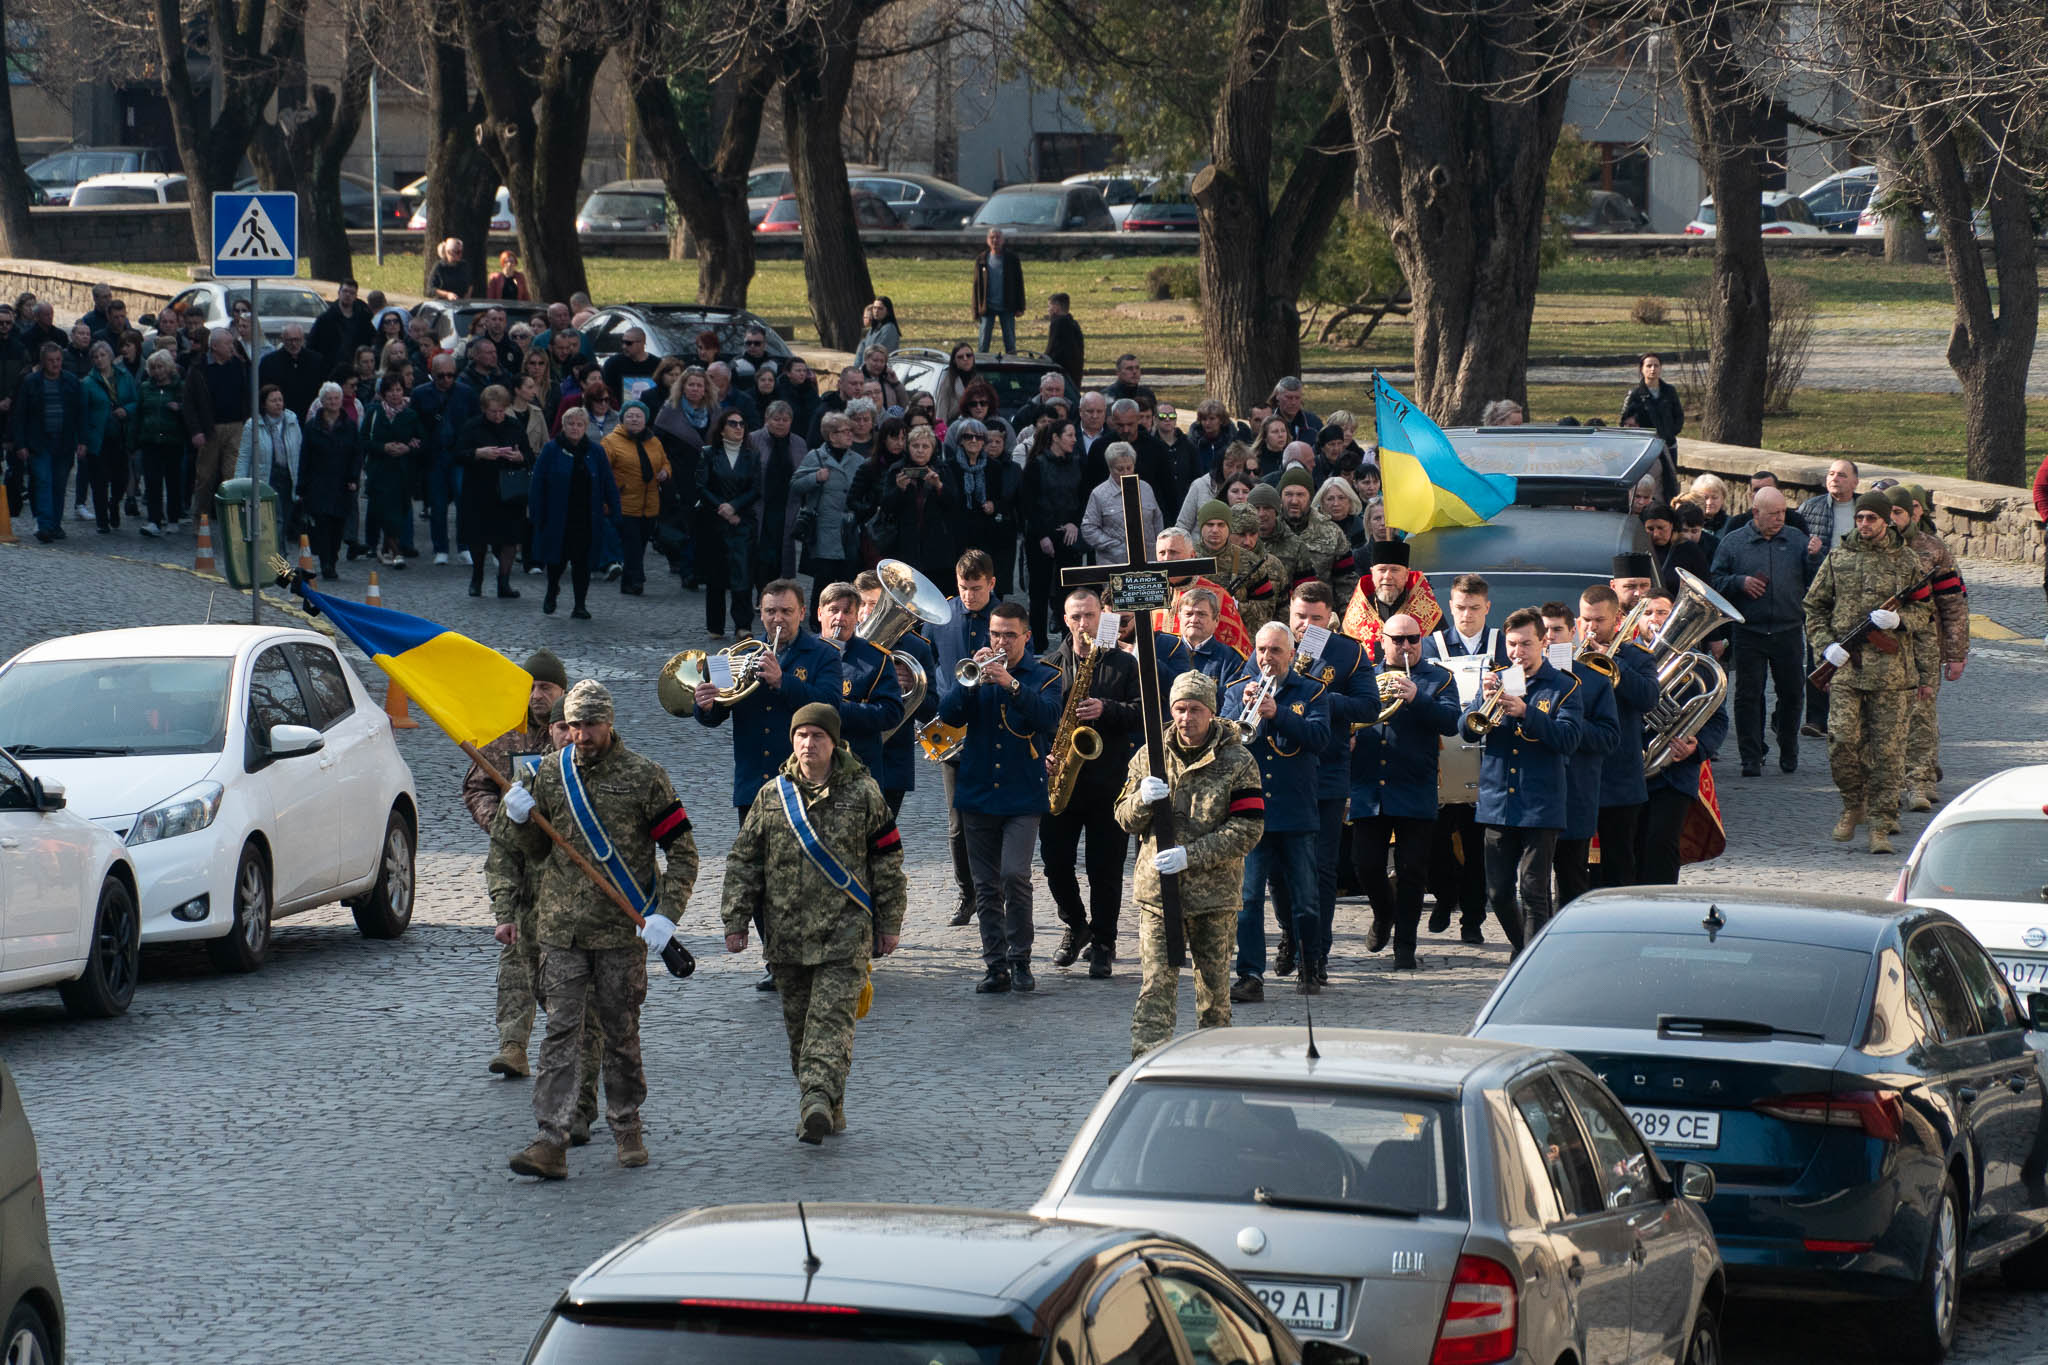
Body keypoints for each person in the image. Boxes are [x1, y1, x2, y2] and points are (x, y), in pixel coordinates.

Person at [502, 681, 699, 1180]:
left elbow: (683, 852)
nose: (581, 736)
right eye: (572, 726)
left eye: (590, 725)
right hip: (561, 932)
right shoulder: (550, 773)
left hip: (620, 932)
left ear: (609, 723)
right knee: (561, 1033)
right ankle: (551, 1140)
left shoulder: (645, 778)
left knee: (620, 1033)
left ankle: (627, 1124)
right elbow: (538, 851)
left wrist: (666, 914)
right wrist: (521, 821)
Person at [721, 701, 905, 1142]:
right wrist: (736, 918)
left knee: (831, 1022)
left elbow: (887, 861)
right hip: (787, 938)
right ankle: (828, 1104)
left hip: (845, 935)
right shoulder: (771, 796)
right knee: (801, 1031)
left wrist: (890, 921)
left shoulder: (864, 794)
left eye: (817, 736)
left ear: (834, 742)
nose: (808, 744)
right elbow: (745, 860)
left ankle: (815, 1102)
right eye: (801, 735)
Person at [1121, 671, 1265, 1056]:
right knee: (1155, 985)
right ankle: (1146, 1062)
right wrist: (1141, 801)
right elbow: (1123, 816)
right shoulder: (1149, 754)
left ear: (1212, 711)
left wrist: (1192, 855)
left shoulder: (1237, 760)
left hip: (1213, 897)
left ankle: (1215, 1065)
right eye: (1179, 709)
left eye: (1195, 709)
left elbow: (1248, 828)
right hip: (1157, 894)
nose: (1186, 718)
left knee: (1214, 989)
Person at [483, 695, 605, 1140]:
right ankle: (513, 1045)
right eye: (559, 730)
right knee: (522, 976)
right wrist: (505, 910)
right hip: (531, 910)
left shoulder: (602, 780)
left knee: (576, 1015)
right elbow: (502, 852)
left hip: (583, 921)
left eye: (573, 729)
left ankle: (580, 1105)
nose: (567, 737)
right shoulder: (528, 783)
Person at [937, 600, 1063, 993]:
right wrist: (967, 683)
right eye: (996, 634)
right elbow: (950, 716)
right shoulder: (974, 674)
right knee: (986, 884)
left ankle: (1020, 959)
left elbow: (1047, 718)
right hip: (976, 792)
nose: (1002, 641)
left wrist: (1010, 684)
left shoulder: (1044, 675)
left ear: (1027, 636)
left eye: (1010, 634)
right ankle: (996, 965)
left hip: (1022, 793)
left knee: (1014, 874)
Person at [1464, 608, 1586, 952]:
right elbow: (1466, 731)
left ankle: (1530, 961)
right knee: (1497, 892)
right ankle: (1526, 950)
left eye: (1526, 644)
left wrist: (1526, 713)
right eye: (1512, 645)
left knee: (1533, 889)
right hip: (1497, 800)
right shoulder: (1496, 678)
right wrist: (1483, 700)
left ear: (1544, 642)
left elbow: (1568, 739)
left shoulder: (1565, 686)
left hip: (1540, 803)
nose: (1518, 653)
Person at [1221, 621, 1331, 1002]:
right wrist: (1243, 708)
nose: (1267, 659)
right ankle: (1251, 975)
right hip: (1250, 812)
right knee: (1248, 899)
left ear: (1292, 654)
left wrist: (1278, 713)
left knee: (1304, 898)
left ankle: (1310, 965)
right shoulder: (1237, 690)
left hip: (1295, 809)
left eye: (1276, 651)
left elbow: (1319, 739)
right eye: (1262, 650)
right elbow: (1223, 744)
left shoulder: (1313, 691)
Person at [467, 652, 568, 1054]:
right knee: (516, 957)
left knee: (565, 960)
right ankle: (512, 1044)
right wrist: (501, 823)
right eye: (530, 687)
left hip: (566, 865)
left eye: (545, 687)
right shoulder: (508, 733)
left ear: (562, 689)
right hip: (522, 866)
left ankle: (571, 1038)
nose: (536, 695)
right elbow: (477, 787)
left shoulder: (577, 730)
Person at [1040, 588, 1142, 979]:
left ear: (1102, 616)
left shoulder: (1123, 664)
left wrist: (1107, 708)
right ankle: (1075, 924)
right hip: (1061, 780)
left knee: (1105, 868)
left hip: (1108, 781)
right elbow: (1039, 718)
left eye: (1089, 615)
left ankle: (1103, 941)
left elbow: (1142, 712)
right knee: (1055, 863)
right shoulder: (1050, 665)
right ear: (1065, 621)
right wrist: (1046, 751)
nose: (1083, 624)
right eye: (1075, 617)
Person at [1351, 612, 1463, 969]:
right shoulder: (1364, 675)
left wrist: (1418, 697)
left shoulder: (1439, 679)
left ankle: (1405, 948)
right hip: (1370, 786)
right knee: (1365, 865)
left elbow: (1451, 723)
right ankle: (1384, 913)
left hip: (1414, 786)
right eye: (1397, 640)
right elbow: (1346, 714)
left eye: (1413, 639)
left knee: (1413, 872)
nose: (1405, 647)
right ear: (1381, 641)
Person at [1276, 582, 1374, 986]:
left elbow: (1370, 706)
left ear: (1330, 617)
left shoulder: (1349, 652)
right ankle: (1289, 932)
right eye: (1300, 616)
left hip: (1327, 770)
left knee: (1321, 869)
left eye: (1316, 618)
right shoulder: (1274, 644)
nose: (1306, 624)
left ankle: (1316, 952)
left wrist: (1318, 698)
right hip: (1280, 771)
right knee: (1279, 869)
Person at [1710, 486, 1808, 777]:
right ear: (1755, 513)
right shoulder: (1733, 542)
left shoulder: (1797, 540)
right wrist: (1739, 582)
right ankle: (1750, 757)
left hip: (1788, 628)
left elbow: (1816, 579)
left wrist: (1815, 557)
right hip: (1748, 630)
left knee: (1791, 693)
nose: (1780, 519)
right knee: (1748, 696)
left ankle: (1789, 749)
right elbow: (1714, 581)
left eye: (1783, 513)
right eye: (1773, 514)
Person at [1884, 485, 1969, 811]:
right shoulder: (1866, 549)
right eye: (1886, 513)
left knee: (1921, 714)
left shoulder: (1934, 550)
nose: (1892, 519)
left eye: (1898, 512)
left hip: (1924, 645)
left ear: (1912, 513)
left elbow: (1954, 605)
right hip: (1883, 646)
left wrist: (1956, 652)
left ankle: (1919, 782)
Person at [926, 550, 998, 924]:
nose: (969, 596)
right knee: (957, 824)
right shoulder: (943, 614)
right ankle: (967, 893)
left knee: (995, 816)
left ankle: (994, 892)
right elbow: (930, 658)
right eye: (963, 588)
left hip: (993, 727)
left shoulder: (1004, 617)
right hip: (950, 728)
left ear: (992, 584)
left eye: (976, 588)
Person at [1538, 602, 1620, 907]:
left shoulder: (1596, 681)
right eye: (1543, 630)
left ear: (1573, 632)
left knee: (1572, 879)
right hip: (1534, 796)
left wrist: (1569, 723)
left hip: (1576, 793)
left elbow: (1609, 738)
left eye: (1557, 629)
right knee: (1533, 882)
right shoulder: (1519, 679)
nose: (1549, 637)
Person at [1578, 585, 1658, 890]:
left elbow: (1649, 698)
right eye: (1586, 619)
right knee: (1574, 865)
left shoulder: (1636, 657)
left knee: (1619, 865)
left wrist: (1613, 664)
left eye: (1598, 620)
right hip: (1579, 778)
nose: (1591, 627)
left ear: (1618, 619)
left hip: (1621, 778)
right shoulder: (1568, 655)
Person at [852, 569, 939, 814]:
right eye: (863, 603)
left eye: (875, 604)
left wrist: (913, 687)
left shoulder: (917, 648)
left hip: (891, 760)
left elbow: (931, 708)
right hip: (846, 756)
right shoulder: (840, 643)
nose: (868, 611)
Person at [532, 406, 619, 619]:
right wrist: (536, 514)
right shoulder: (551, 449)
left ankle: (580, 604)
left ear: (585, 427)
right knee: (556, 561)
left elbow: (608, 482)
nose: (575, 428)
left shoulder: (596, 451)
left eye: (580, 424)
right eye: (571, 424)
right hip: (558, 516)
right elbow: (538, 483)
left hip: (587, 517)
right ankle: (552, 591)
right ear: (563, 426)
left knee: (583, 563)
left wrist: (615, 510)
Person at [1798, 458, 1861, 737]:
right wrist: (1810, 553)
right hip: (1819, 592)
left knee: (1854, 653)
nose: (1835, 479)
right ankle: (1815, 718)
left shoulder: (1865, 509)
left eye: (1842, 475)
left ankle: (1850, 717)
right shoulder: (1809, 509)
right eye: (1832, 474)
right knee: (1817, 653)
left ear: (1855, 482)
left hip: (1855, 595)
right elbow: (1796, 551)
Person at [1019, 417, 1089, 651]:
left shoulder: (1078, 463)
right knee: (1038, 593)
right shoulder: (1036, 464)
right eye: (1069, 435)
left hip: (1067, 534)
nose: (1074, 440)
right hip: (1041, 536)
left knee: (1066, 593)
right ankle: (1038, 644)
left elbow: (1083, 498)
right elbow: (1027, 504)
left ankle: (1068, 645)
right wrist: (1042, 535)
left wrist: (1074, 524)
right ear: (1056, 438)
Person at [9, 342, 85, 543]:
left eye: (58, 360)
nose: (55, 364)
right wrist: (21, 444)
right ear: (43, 362)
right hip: (39, 442)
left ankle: (54, 524)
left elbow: (80, 414)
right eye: (51, 361)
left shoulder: (71, 382)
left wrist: (82, 441)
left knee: (59, 485)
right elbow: (20, 415)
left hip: (64, 442)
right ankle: (44, 525)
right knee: (43, 481)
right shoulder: (31, 383)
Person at [789, 411, 864, 607]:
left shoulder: (857, 460)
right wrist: (815, 478)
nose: (850, 434)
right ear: (832, 435)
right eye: (845, 431)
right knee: (824, 580)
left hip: (849, 530)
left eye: (850, 430)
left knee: (848, 580)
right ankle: (818, 620)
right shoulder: (815, 457)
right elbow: (795, 485)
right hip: (824, 530)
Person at [698, 409, 762, 638]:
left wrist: (734, 507)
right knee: (715, 577)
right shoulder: (708, 453)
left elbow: (756, 488)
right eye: (733, 423)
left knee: (743, 575)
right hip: (715, 523)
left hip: (743, 522)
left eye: (742, 424)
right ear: (722, 428)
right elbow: (702, 486)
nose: (738, 428)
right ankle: (715, 626)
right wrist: (723, 508)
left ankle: (743, 625)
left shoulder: (751, 456)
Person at [181, 329, 250, 529]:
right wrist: (196, 430)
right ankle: (200, 518)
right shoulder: (199, 368)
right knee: (205, 477)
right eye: (228, 344)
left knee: (232, 476)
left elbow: (247, 393)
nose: (232, 347)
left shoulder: (239, 365)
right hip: (211, 429)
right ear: (215, 346)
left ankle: (232, 522)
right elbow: (189, 403)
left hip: (236, 426)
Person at [601, 400, 668, 598]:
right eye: (630, 415)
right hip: (624, 502)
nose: (634, 419)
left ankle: (628, 582)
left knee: (640, 543)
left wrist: (665, 471)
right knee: (631, 544)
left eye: (638, 416)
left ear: (645, 419)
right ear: (622, 418)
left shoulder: (653, 441)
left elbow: (665, 462)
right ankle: (637, 580)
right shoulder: (611, 441)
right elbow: (603, 470)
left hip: (649, 502)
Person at [882, 425, 958, 590]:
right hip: (904, 546)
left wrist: (939, 486)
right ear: (908, 448)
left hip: (937, 547)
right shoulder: (896, 469)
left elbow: (954, 505)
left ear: (933, 449)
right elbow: (886, 507)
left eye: (925, 446)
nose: (920, 451)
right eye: (915, 446)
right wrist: (899, 490)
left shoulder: (943, 469)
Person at [298, 383, 361, 581]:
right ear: (322, 401)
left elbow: (356, 455)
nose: (333, 402)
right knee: (322, 525)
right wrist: (302, 484)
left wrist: (353, 478)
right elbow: (305, 457)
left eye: (336, 398)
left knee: (337, 525)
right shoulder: (312, 427)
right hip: (319, 482)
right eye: (329, 399)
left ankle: (332, 558)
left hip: (342, 482)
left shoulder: (350, 426)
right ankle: (326, 562)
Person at [358, 374, 420, 568]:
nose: (395, 394)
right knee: (385, 511)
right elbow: (364, 441)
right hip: (380, 470)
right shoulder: (374, 412)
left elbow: (421, 439)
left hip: (402, 472)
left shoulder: (410, 415)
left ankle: (385, 548)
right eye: (391, 390)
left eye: (399, 390)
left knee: (399, 511)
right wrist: (384, 447)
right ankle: (397, 551)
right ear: (383, 393)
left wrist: (408, 448)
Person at [79, 341, 135, 532]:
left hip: (120, 435)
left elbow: (135, 401)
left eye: (102, 355)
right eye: (95, 356)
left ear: (110, 357)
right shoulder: (87, 383)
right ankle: (102, 521)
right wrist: (83, 441)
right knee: (99, 482)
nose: (99, 359)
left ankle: (114, 504)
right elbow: (83, 414)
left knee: (121, 478)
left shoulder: (124, 376)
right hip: (98, 438)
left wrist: (126, 410)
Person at [133, 348, 186, 535]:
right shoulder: (146, 388)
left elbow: (189, 411)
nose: (157, 371)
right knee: (152, 482)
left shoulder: (180, 387)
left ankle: (173, 518)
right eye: (154, 367)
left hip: (173, 440)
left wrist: (180, 409)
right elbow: (139, 413)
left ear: (168, 367)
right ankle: (154, 520)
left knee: (173, 481)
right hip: (151, 440)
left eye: (161, 367)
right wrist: (136, 438)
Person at [1081, 443, 1162, 563]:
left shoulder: (1146, 488)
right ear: (1110, 468)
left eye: (1129, 468)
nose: (1125, 473)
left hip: (1148, 560)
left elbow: (1157, 520)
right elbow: (1088, 528)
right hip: (1113, 562)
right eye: (1119, 469)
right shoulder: (1099, 494)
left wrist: (1159, 547)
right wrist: (1113, 546)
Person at [1619, 353, 1682, 498]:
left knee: (1670, 479)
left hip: (1668, 444)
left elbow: (1678, 416)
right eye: (1649, 366)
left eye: (1656, 365)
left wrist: (1670, 433)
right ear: (1641, 369)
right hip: (1646, 446)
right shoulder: (1635, 394)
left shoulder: (1669, 391)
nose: (1653, 369)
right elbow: (1625, 421)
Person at [972, 226, 1024, 355]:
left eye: (998, 237)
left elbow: (1019, 283)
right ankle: (982, 369)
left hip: (1007, 306)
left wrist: (1020, 306)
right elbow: (976, 286)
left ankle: (1012, 366)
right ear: (987, 240)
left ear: (1003, 240)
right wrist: (975, 309)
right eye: (992, 237)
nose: (995, 240)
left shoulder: (1012, 259)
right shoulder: (982, 259)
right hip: (987, 307)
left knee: (1010, 343)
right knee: (983, 343)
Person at [1175, 587, 1242, 686]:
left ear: (1216, 620)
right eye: (1188, 614)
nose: (1194, 620)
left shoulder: (1231, 660)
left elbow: (1231, 698)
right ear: (1179, 617)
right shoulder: (1165, 650)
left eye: (1201, 614)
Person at [1045, 291, 1084, 392]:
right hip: (1074, 375)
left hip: (1061, 374)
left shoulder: (1058, 323)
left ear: (1056, 307)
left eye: (1049, 306)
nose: (1048, 310)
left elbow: (1051, 348)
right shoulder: (1074, 323)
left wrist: (1042, 360)